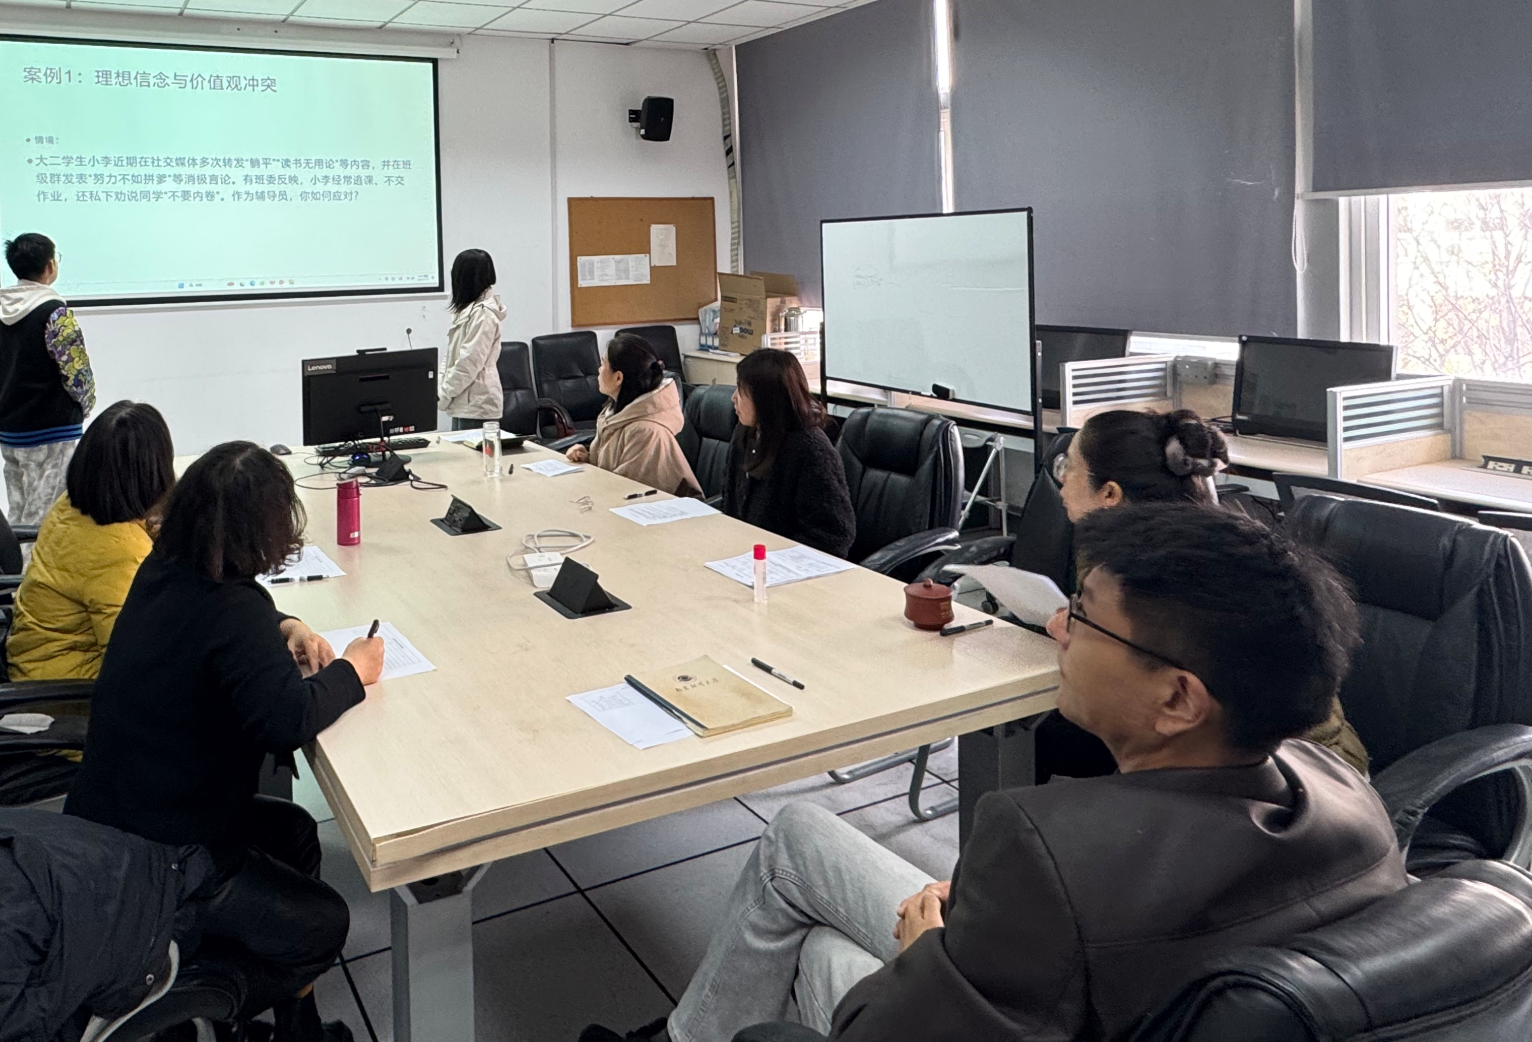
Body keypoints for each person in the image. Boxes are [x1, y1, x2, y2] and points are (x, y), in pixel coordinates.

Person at [577, 502, 1404, 1042]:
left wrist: (927, 955)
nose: (1059, 630)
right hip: (1100, 995)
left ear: (1179, 699)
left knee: (820, 957)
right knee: (796, 837)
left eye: (1085, 618)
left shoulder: (1049, 851)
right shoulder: (1349, 798)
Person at [66, 441, 383, 1042]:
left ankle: (298, 1029)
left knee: (295, 832)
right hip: (160, 865)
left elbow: (231, 622)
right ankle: (196, 994)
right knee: (325, 924)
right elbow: (287, 719)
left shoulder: (164, 569)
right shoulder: (230, 612)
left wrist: (285, 625)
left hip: (116, 818)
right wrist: (353, 670)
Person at [1038, 408, 1369, 781]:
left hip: (1297, 773)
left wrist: (1080, 629)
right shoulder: (1162, 549)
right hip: (1244, 752)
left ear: (1110, 493)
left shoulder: (1168, 578)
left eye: (1069, 467)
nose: (1061, 480)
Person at [6, 400, 175, 684]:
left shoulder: (74, 504)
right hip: (67, 687)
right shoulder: (121, 551)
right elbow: (133, 665)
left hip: (37, 657)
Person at [0, 232, 96, 527]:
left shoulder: (5, 310)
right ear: (50, 265)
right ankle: (33, 560)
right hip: (50, 428)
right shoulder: (54, 312)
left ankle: (14, 555)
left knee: (19, 510)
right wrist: (85, 405)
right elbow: (76, 372)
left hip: (10, 425)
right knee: (46, 517)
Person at [722, 346, 855, 558]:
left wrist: (775, 557)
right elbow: (731, 503)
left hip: (788, 564)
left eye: (741, 390)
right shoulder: (746, 432)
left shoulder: (810, 448)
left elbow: (833, 536)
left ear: (765, 398)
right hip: (746, 554)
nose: (733, 398)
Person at [566, 333, 701, 496]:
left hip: (662, 509)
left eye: (603, 364)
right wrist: (587, 458)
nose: (599, 370)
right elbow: (611, 472)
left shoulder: (645, 431)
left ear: (618, 377)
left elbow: (624, 489)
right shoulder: (616, 413)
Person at [439, 248, 505, 429]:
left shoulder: (484, 314)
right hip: (463, 402)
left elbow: (468, 363)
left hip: (478, 405)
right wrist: (441, 388)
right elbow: (451, 355)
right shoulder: (469, 310)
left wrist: (444, 395)